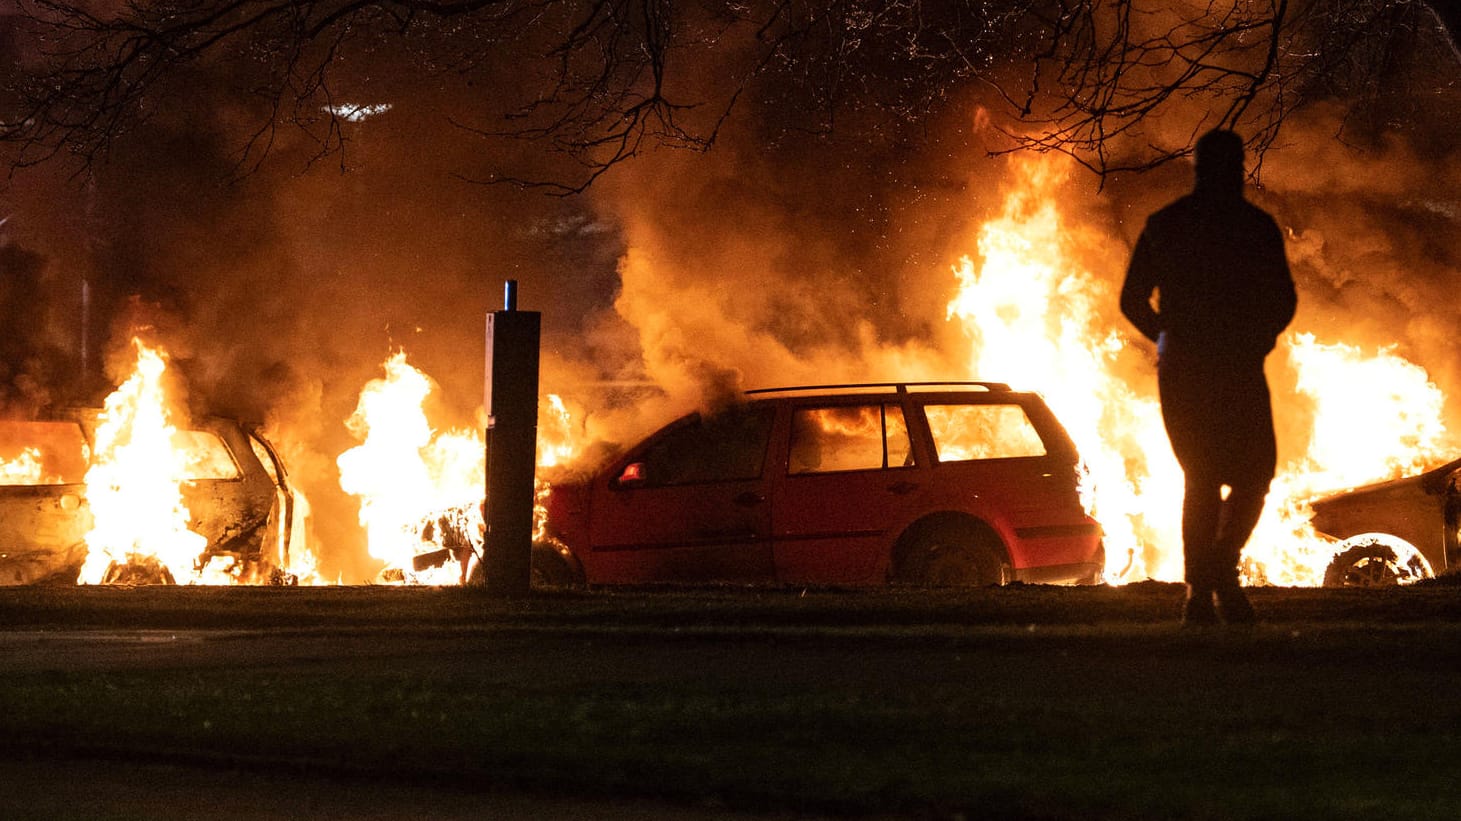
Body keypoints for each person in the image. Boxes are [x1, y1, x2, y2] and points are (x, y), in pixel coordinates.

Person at [1120, 129, 1297, 626]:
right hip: (1225, 365)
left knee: (1219, 478)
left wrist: (1163, 337)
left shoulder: (1170, 223)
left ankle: (1209, 580)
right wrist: (1259, 336)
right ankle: (1213, 585)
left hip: (1196, 366)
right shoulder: (1250, 226)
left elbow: (1133, 300)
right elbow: (1283, 299)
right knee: (1241, 475)